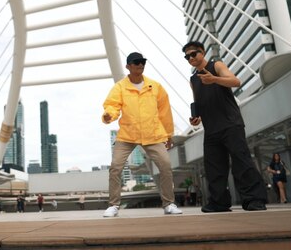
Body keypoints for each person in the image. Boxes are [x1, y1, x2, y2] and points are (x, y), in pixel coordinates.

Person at [183, 41, 267, 212]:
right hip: (211, 128)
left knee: (242, 162)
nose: (191, 58)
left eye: (194, 54)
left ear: (203, 52)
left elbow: (236, 81)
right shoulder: (193, 79)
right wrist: (196, 118)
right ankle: (219, 202)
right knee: (213, 168)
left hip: (230, 124)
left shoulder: (217, 65)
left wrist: (214, 79)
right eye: (187, 56)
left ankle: (254, 200)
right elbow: (199, 101)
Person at [102, 52, 182, 217]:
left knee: (166, 166)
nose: (140, 65)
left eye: (142, 62)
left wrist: (168, 134)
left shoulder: (155, 86)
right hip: (127, 134)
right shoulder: (120, 87)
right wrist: (109, 115)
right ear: (128, 66)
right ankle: (113, 205)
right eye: (136, 62)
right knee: (115, 167)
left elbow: (164, 112)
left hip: (152, 134)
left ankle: (169, 204)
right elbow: (112, 105)